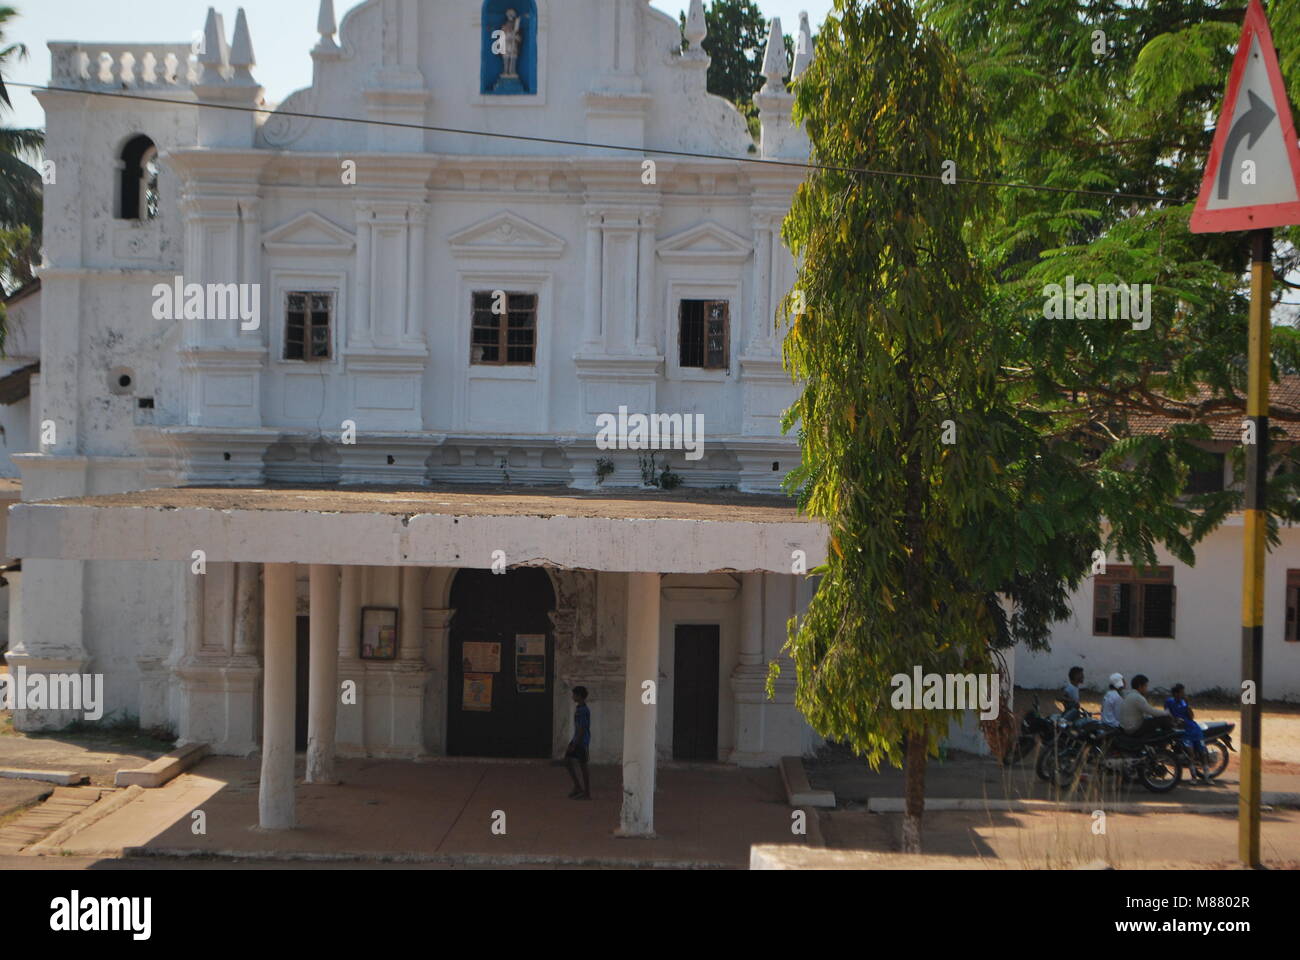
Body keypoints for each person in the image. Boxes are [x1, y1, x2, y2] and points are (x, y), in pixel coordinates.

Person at [1165, 683, 1207, 779]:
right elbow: (1167, 714)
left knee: (1203, 752)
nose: (1183, 694)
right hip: (1183, 731)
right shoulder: (1169, 702)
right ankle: (1194, 777)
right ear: (1176, 694)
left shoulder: (1184, 703)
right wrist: (1175, 720)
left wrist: (1187, 706)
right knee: (1190, 754)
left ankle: (1207, 776)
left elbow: (1191, 717)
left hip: (1193, 729)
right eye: (1181, 692)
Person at [565, 685, 591, 800]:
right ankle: (578, 786)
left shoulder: (583, 711)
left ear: (579, 696)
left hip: (581, 742)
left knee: (583, 767)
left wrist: (574, 744)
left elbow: (581, 728)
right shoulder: (579, 708)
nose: (572, 696)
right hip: (577, 740)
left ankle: (587, 792)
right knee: (567, 762)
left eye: (574, 694)